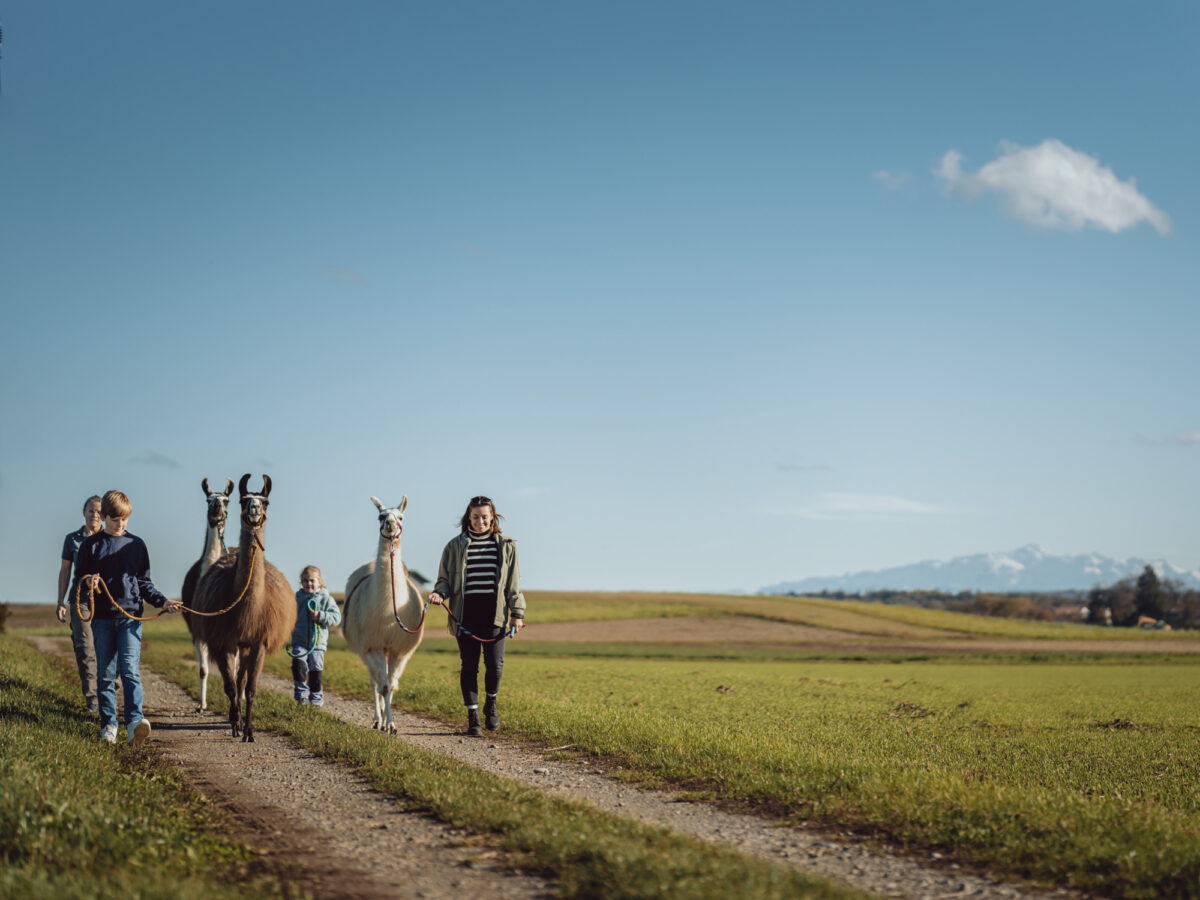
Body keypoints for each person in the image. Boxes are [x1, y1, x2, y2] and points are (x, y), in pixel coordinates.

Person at [72, 490, 182, 747]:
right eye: (115, 520)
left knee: (130, 671)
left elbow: (145, 583)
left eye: (124, 519)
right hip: (101, 619)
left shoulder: (137, 545)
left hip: (130, 618)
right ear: (104, 517)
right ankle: (109, 725)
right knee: (105, 675)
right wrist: (88, 582)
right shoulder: (91, 545)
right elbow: (79, 579)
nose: (120, 524)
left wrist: (163, 602)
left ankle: (134, 724)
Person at [428, 496, 525, 736]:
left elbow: (513, 585)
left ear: (492, 517)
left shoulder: (507, 545)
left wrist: (517, 613)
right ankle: (473, 719)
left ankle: (491, 703)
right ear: (468, 518)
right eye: (475, 517)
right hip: (465, 614)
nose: (480, 521)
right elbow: (444, 580)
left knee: (495, 666)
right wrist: (439, 593)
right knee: (469, 666)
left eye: (484, 517)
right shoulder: (453, 546)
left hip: (495, 614)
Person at [57, 495, 104, 712]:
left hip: (105, 601)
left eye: (99, 511)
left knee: (108, 647)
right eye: (91, 510)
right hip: (80, 599)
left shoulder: (110, 537)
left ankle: (109, 693)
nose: (95, 514)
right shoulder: (72, 539)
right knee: (85, 648)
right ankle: (92, 699)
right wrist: (60, 601)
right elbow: (65, 571)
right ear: (84, 513)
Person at [289, 565, 341, 707]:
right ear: (301, 582)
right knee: (298, 665)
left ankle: (316, 700)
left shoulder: (326, 598)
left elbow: (336, 618)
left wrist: (320, 616)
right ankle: (302, 696)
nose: (309, 583)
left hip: (317, 643)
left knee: (315, 670)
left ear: (319, 582)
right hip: (300, 641)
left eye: (312, 580)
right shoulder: (297, 598)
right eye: (305, 581)